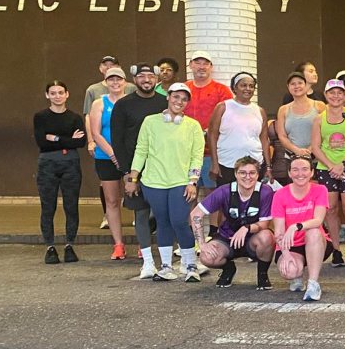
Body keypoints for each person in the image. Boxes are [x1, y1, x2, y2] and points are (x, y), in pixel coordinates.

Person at [125, 83, 205, 282]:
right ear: (168, 97)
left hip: (181, 182)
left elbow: (197, 156)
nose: (179, 102)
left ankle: (190, 264)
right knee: (163, 222)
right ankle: (167, 266)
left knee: (179, 220)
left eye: (184, 99)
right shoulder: (150, 122)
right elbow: (141, 150)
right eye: (176, 97)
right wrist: (133, 178)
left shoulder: (193, 126)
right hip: (153, 182)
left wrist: (192, 182)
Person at [113, 64, 175, 273]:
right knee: (141, 213)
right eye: (141, 76)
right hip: (135, 170)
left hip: (163, 168)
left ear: (156, 78)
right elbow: (118, 141)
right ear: (134, 79)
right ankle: (147, 261)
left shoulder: (164, 103)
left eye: (150, 76)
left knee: (165, 214)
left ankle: (167, 259)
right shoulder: (123, 105)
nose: (146, 79)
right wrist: (127, 174)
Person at [190, 156, 275, 289]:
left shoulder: (265, 191)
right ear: (235, 174)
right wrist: (201, 244)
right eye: (242, 173)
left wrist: (246, 228)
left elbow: (265, 224)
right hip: (227, 238)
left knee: (267, 237)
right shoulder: (224, 190)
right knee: (206, 256)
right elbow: (196, 214)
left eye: (252, 173)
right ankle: (228, 269)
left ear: (258, 174)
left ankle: (262, 275)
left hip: (253, 239)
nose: (247, 177)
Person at [311, 79, 345, 267]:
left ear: (344, 95)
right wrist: (331, 165)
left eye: (339, 93)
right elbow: (316, 147)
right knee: (331, 209)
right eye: (332, 93)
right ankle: (336, 248)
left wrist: (342, 164)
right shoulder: (319, 118)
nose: (336, 96)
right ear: (326, 95)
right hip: (326, 168)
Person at [34, 80, 87, 264]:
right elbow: (42, 142)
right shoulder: (40, 117)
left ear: (67, 94)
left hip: (70, 163)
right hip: (47, 164)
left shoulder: (74, 117)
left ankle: (69, 245)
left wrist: (55, 138)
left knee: (71, 205)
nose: (57, 96)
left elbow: (80, 142)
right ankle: (50, 246)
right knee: (48, 206)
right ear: (47, 95)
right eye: (53, 93)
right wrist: (68, 139)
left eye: (60, 92)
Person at [271, 156, 332, 301]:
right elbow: (278, 231)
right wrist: (285, 255)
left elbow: (318, 220)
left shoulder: (320, 190)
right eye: (295, 170)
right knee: (290, 271)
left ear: (311, 172)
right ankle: (297, 276)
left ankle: (313, 283)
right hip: (290, 244)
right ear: (289, 173)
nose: (300, 174)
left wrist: (296, 226)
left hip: (315, 242)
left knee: (313, 232)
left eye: (305, 169)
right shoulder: (280, 195)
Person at [88, 67, 130, 259]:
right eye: (111, 80)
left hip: (129, 158)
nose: (115, 83)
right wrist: (114, 155)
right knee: (112, 201)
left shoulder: (130, 101)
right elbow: (96, 132)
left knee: (137, 200)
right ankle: (118, 244)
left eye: (119, 80)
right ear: (106, 82)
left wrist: (124, 156)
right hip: (106, 158)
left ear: (124, 82)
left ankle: (142, 244)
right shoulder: (99, 103)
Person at [183, 51, 235, 194]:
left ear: (211, 67)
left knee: (214, 195)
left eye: (205, 63)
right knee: (187, 195)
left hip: (211, 153)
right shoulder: (183, 89)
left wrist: (209, 130)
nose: (201, 67)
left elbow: (229, 118)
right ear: (191, 65)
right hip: (185, 153)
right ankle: (191, 218)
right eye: (197, 63)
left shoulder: (221, 90)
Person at [208, 72, 269, 186]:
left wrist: (268, 167)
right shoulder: (223, 107)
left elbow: (264, 139)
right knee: (227, 201)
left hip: (254, 165)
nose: (248, 89)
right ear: (234, 88)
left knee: (252, 201)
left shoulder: (259, 111)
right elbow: (212, 135)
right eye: (243, 85)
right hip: (227, 164)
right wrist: (214, 163)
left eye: (251, 86)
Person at [277, 72, 326, 165]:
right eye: (293, 84)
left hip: (317, 157)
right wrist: (297, 151)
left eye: (300, 83)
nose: (297, 86)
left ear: (306, 85)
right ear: (288, 87)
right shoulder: (283, 110)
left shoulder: (320, 106)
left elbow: (324, 131)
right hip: (292, 159)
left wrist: (311, 149)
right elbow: (282, 136)